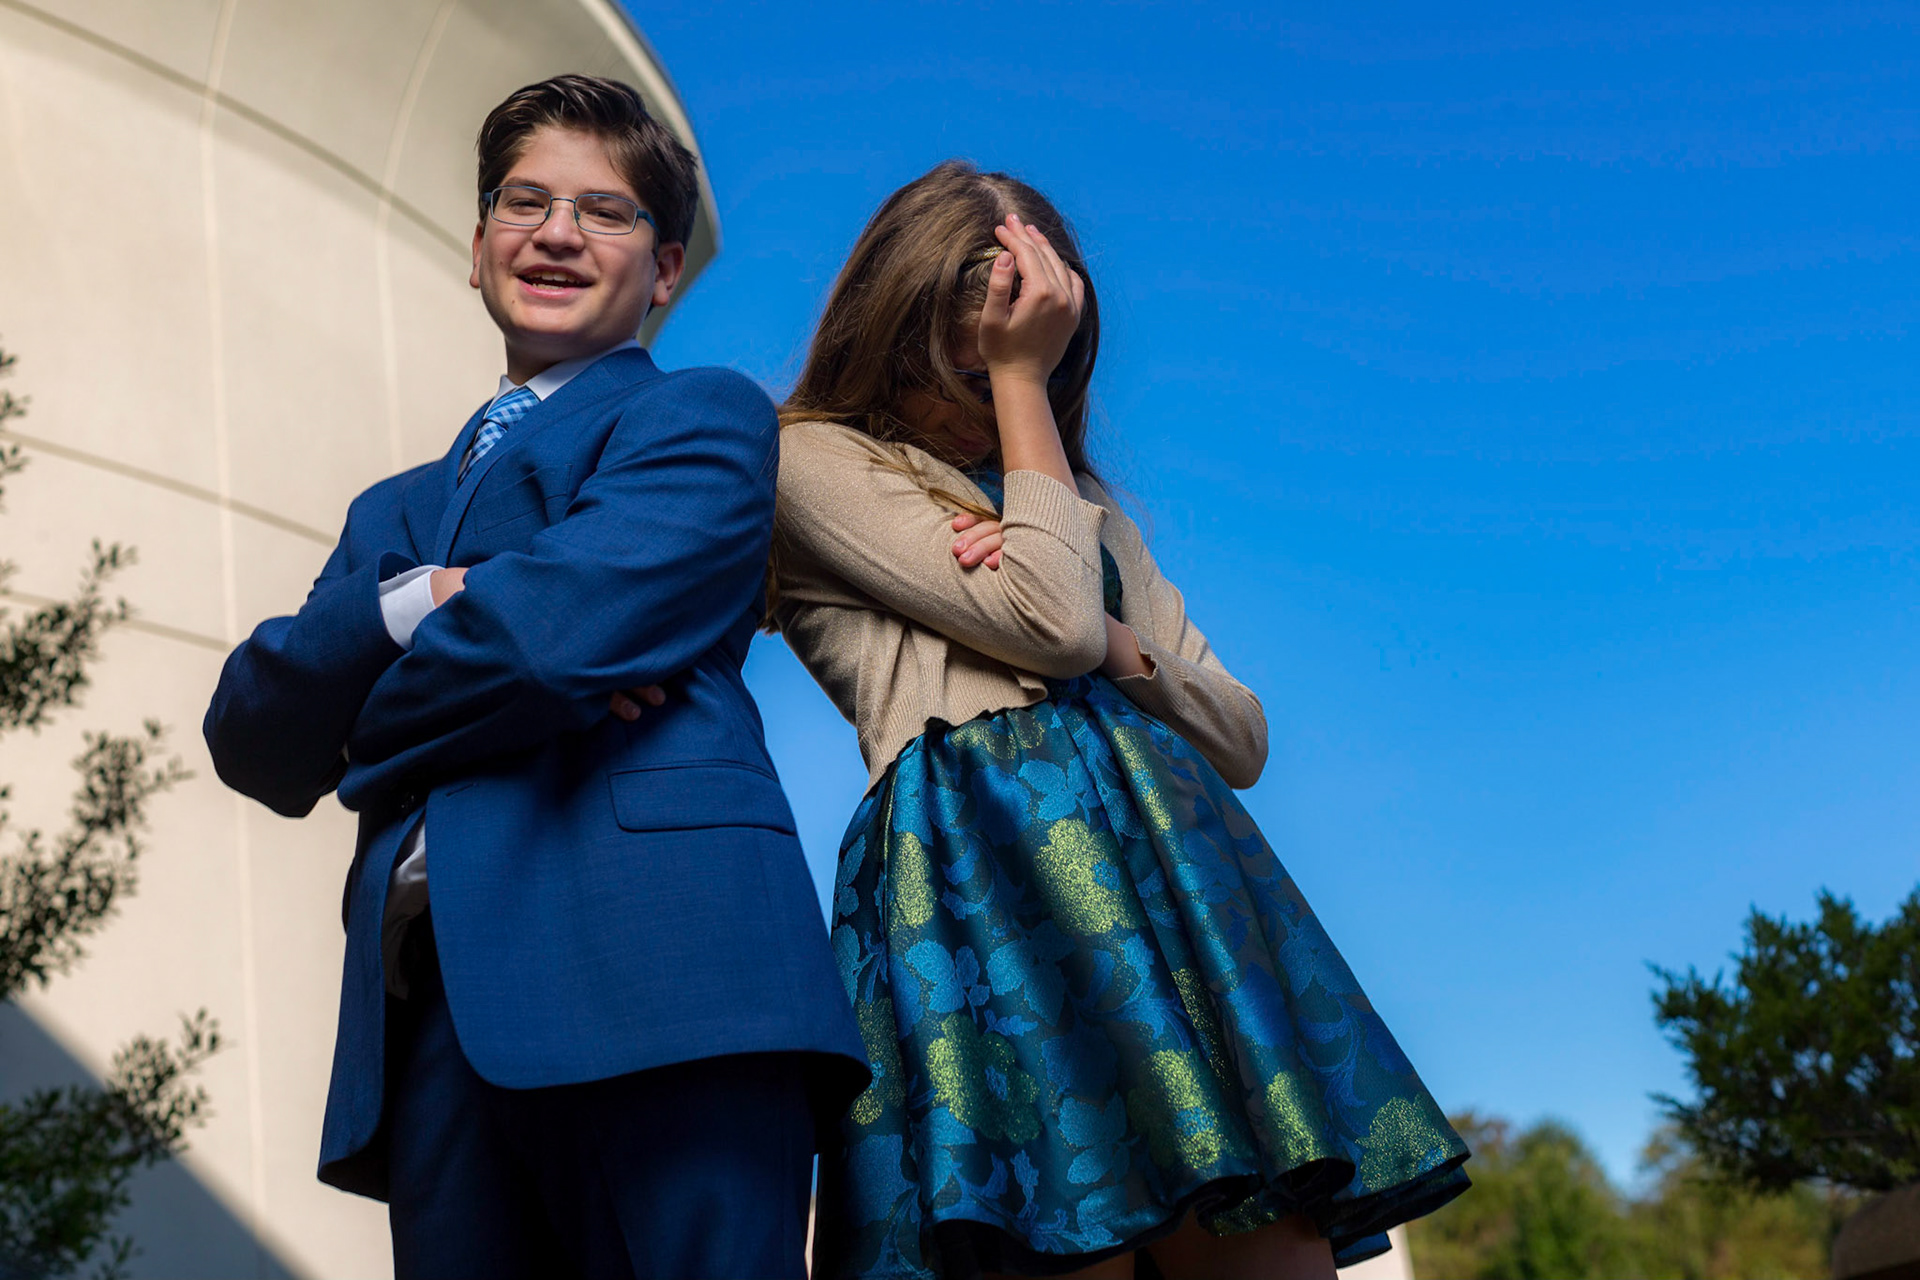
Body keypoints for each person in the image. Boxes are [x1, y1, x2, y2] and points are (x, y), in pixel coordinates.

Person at [203, 75, 865, 1280]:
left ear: (665, 270)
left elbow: (548, 641)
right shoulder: (390, 515)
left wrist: (360, 724)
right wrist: (418, 597)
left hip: (673, 987)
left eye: (604, 212)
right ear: (477, 250)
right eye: (525, 202)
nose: (557, 233)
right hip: (439, 1024)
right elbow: (251, 732)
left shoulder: (703, 419)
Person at [771, 161, 1470, 1279]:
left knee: (1266, 1238)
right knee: (1061, 1223)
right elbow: (1049, 624)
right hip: (980, 862)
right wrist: (1028, 417)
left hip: (1170, 868)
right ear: (890, 330)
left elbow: (1239, 735)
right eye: (964, 362)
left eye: (1020, 357)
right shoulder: (812, 457)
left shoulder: (1084, 507)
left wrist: (1114, 637)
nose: (978, 398)